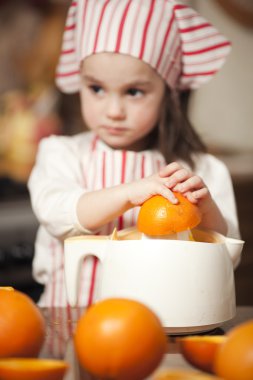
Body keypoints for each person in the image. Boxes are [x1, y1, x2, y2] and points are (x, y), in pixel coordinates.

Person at [28, 0, 240, 307]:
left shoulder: (202, 170)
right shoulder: (61, 154)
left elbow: (226, 258)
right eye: (96, 88)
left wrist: (206, 212)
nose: (114, 111)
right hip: (67, 325)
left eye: (134, 92)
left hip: (161, 331)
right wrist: (131, 192)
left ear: (168, 92)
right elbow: (56, 213)